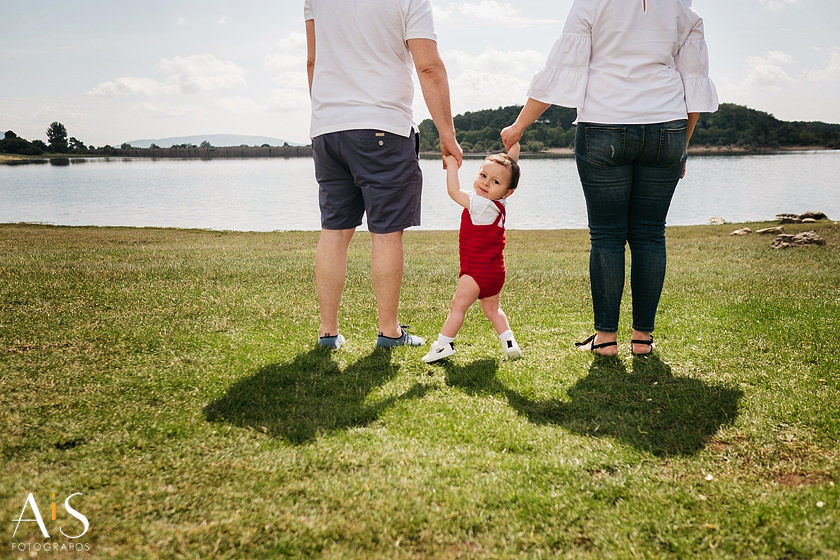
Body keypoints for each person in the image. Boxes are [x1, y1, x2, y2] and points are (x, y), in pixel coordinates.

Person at [501, 0, 718, 356]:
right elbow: (692, 83)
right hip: (666, 125)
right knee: (650, 235)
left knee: (607, 236)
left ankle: (605, 339)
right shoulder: (682, 5)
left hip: (603, 124)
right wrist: (683, 144)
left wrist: (518, 127)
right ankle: (642, 340)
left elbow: (562, 68)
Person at [305, 0, 462, 350]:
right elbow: (429, 67)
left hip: (328, 129)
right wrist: (447, 136)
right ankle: (389, 332)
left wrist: (327, 115)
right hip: (383, 128)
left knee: (334, 231)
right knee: (387, 234)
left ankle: (328, 333)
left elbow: (313, 61)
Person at [422, 144, 522, 363]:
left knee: (458, 306)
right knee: (493, 309)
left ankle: (443, 344)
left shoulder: (479, 204)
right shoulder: (500, 203)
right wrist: (514, 147)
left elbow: (453, 191)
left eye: (494, 181)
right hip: (495, 273)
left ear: (507, 191)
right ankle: (509, 342)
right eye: (483, 175)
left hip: (475, 272)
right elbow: (509, 171)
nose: (486, 182)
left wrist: (450, 164)